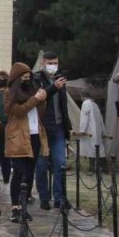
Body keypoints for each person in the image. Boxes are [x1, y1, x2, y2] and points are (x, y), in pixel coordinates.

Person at [5, 62, 49, 223]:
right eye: (24, 77)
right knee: (19, 171)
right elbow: (17, 111)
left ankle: (24, 205)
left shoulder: (33, 91)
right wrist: (34, 100)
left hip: (35, 134)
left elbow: (40, 112)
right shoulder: (10, 94)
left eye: (28, 77)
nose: (27, 80)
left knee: (29, 173)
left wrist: (42, 100)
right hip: (18, 136)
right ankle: (14, 206)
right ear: (17, 78)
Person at [33, 51, 72, 210]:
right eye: (50, 63)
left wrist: (67, 126)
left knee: (60, 163)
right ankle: (44, 197)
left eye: (55, 63)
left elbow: (63, 104)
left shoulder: (60, 78)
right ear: (43, 63)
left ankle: (59, 198)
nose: (53, 66)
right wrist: (54, 87)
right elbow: (39, 98)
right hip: (43, 127)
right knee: (42, 164)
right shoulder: (36, 78)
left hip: (59, 126)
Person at [79, 92, 106, 173]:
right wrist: (103, 131)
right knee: (99, 148)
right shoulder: (95, 105)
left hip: (90, 130)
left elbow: (84, 117)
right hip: (97, 131)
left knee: (91, 148)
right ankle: (103, 167)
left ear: (82, 96)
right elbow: (101, 119)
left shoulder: (85, 103)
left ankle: (92, 167)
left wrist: (82, 130)